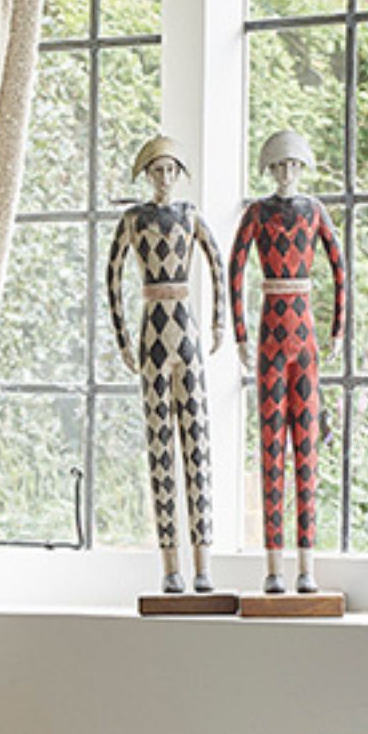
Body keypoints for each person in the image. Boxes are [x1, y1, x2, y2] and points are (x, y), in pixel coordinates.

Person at [103, 134, 226, 595]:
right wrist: (122, 338)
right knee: (159, 447)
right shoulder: (133, 220)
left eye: (171, 170)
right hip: (152, 333)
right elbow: (112, 276)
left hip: (185, 333)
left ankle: (203, 564)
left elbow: (217, 263)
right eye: (157, 171)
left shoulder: (190, 216)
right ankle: (171, 565)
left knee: (197, 444)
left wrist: (218, 323)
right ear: (147, 174)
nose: (164, 178)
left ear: (179, 174)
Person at [228, 127, 347, 595]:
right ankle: (274, 567)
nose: (286, 173)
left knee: (307, 449)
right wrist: (239, 334)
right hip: (270, 337)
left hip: (304, 335)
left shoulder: (314, 211)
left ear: (302, 168)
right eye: (279, 166)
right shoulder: (257, 214)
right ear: (270, 169)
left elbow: (339, 268)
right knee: (270, 447)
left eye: (292, 165)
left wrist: (338, 327)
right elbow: (235, 271)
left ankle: (307, 566)